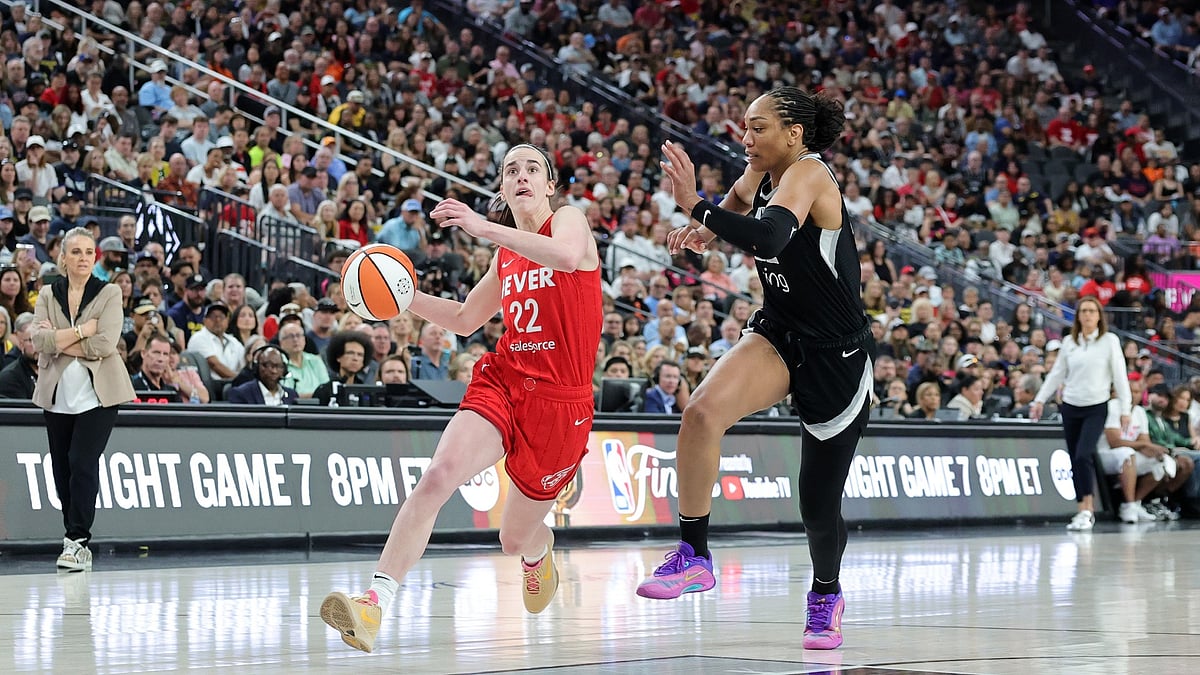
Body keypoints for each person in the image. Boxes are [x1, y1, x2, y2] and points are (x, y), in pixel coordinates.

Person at [319, 144, 601, 653]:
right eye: (510, 170)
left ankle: (538, 552)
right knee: (437, 476)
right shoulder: (506, 254)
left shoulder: (569, 222)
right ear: (502, 186)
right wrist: (401, 297)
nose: (521, 176)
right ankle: (372, 604)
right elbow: (468, 318)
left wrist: (481, 225)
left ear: (550, 185)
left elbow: (562, 256)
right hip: (506, 379)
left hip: (562, 403)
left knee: (513, 539)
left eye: (532, 168)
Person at [636, 87, 870, 652]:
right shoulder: (760, 172)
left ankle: (826, 593)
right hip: (779, 335)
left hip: (835, 357)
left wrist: (695, 205)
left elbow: (770, 235)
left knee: (816, 505)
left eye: (757, 128)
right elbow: (739, 205)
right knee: (700, 413)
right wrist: (707, 231)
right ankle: (694, 553)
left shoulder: (811, 175)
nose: (746, 138)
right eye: (744, 127)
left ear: (794, 134)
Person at [30, 227, 135, 570]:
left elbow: (105, 345)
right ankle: (70, 538)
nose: (83, 258)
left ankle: (78, 540)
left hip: (99, 395)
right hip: (57, 393)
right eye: (76, 252)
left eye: (89, 252)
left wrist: (59, 339)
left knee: (81, 461)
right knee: (61, 468)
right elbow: (38, 341)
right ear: (62, 258)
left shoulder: (109, 293)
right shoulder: (48, 292)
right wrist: (80, 331)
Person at [1031, 295, 1131, 531]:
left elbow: (1120, 376)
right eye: (1083, 311)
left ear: (1099, 316)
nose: (1087, 315)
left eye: (1092, 311)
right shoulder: (1069, 342)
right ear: (1078, 316)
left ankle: (1088, 509)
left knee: (1083, 454)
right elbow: (1057, 374)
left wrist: (1125, 409)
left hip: (1096, 405)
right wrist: (1039, 400)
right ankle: (1081, 507)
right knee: (1075, 457)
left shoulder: (1109, 341)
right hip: (1071, 405)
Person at [226, 344, 299, 405]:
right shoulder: (241, 394)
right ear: (257, 367)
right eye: (268, 365)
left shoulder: (292, 395)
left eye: (278, 366)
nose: (274, 371)